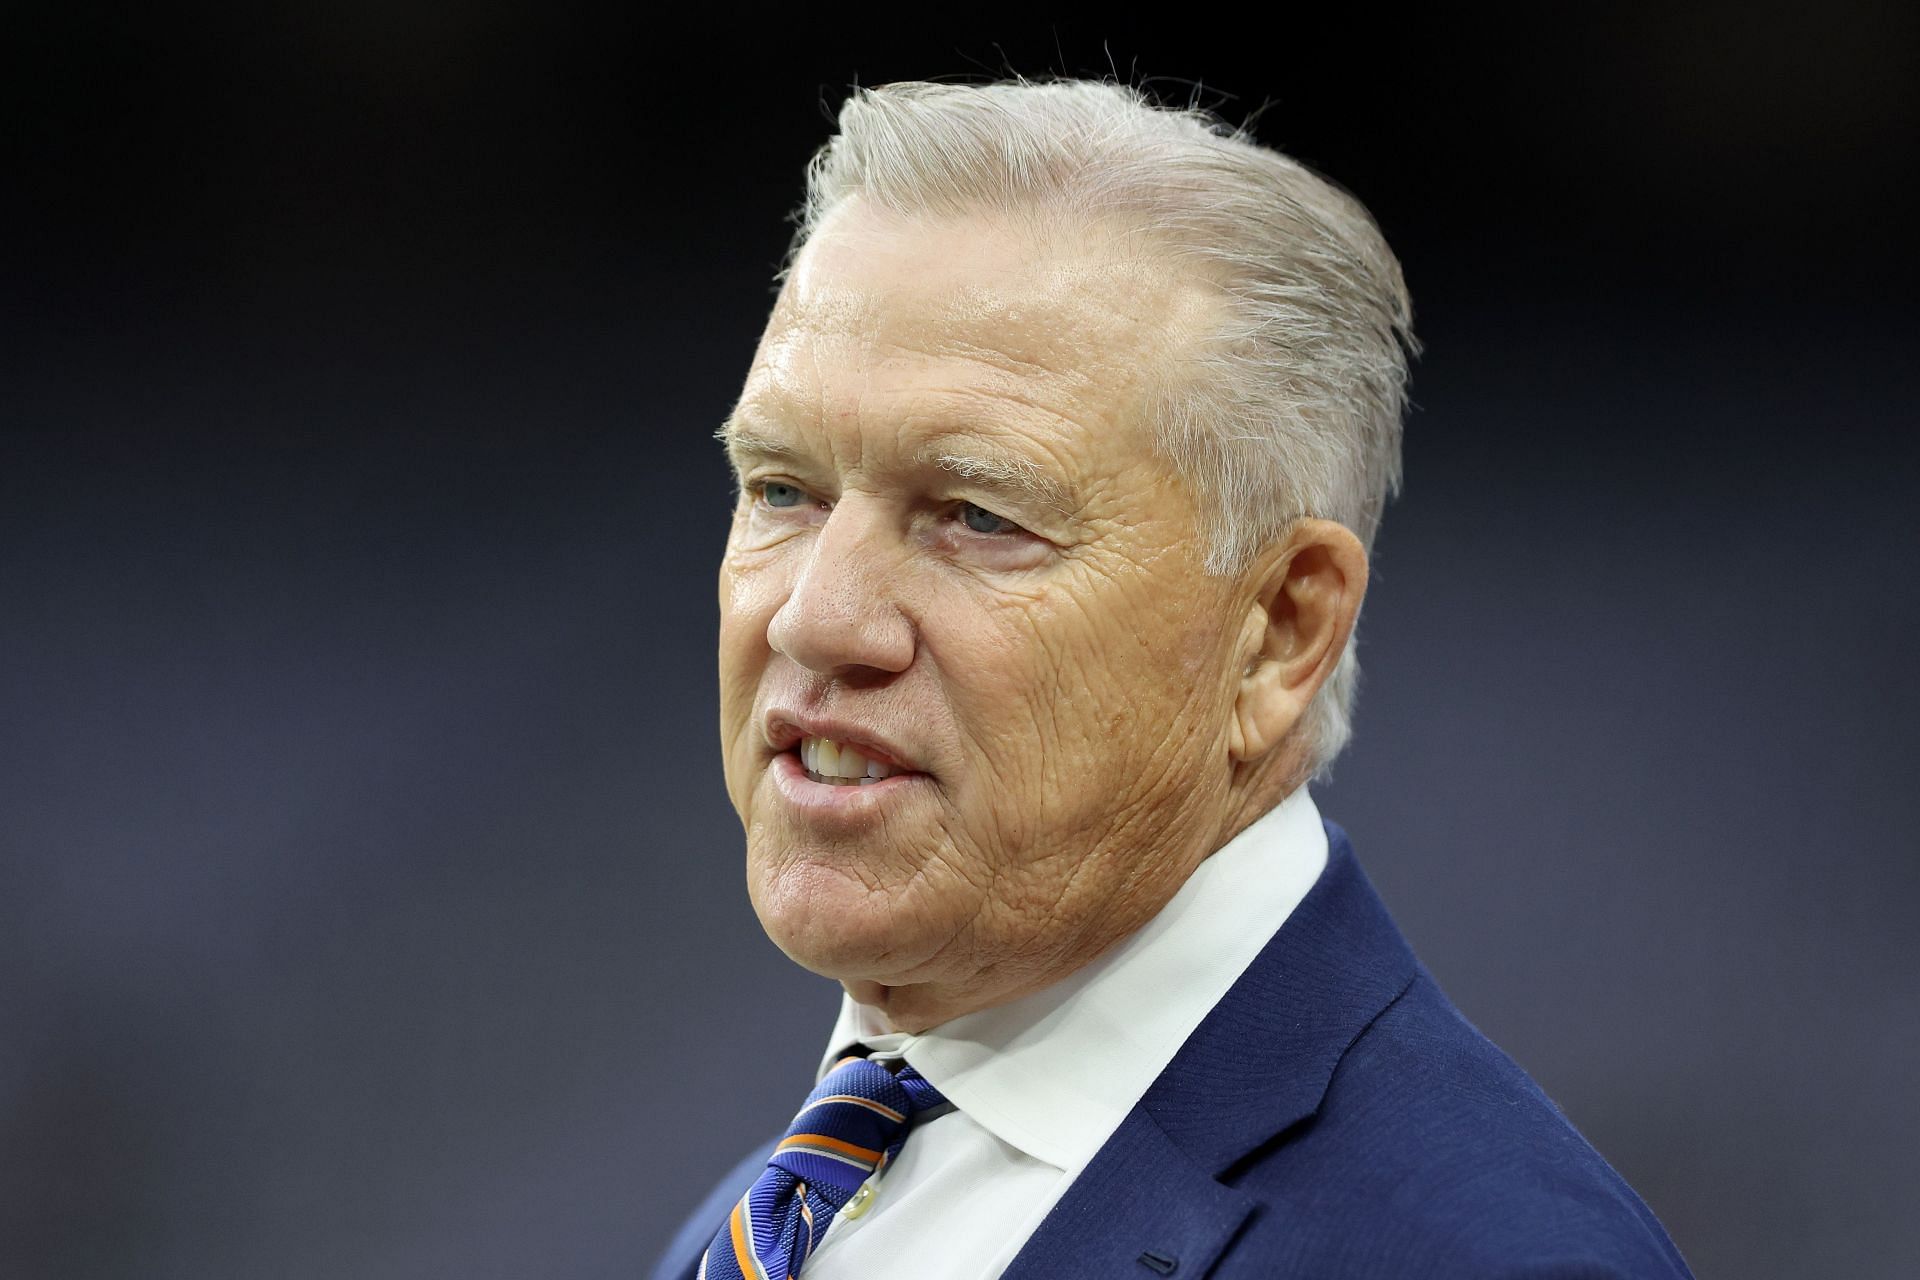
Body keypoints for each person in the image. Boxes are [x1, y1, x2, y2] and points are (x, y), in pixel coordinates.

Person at [653, 77, 1694, 1280]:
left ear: (1279, 629)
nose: (816, 616)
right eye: (782, 488)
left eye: (979, 515)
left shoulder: (1483, 1256)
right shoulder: (753, 1229)